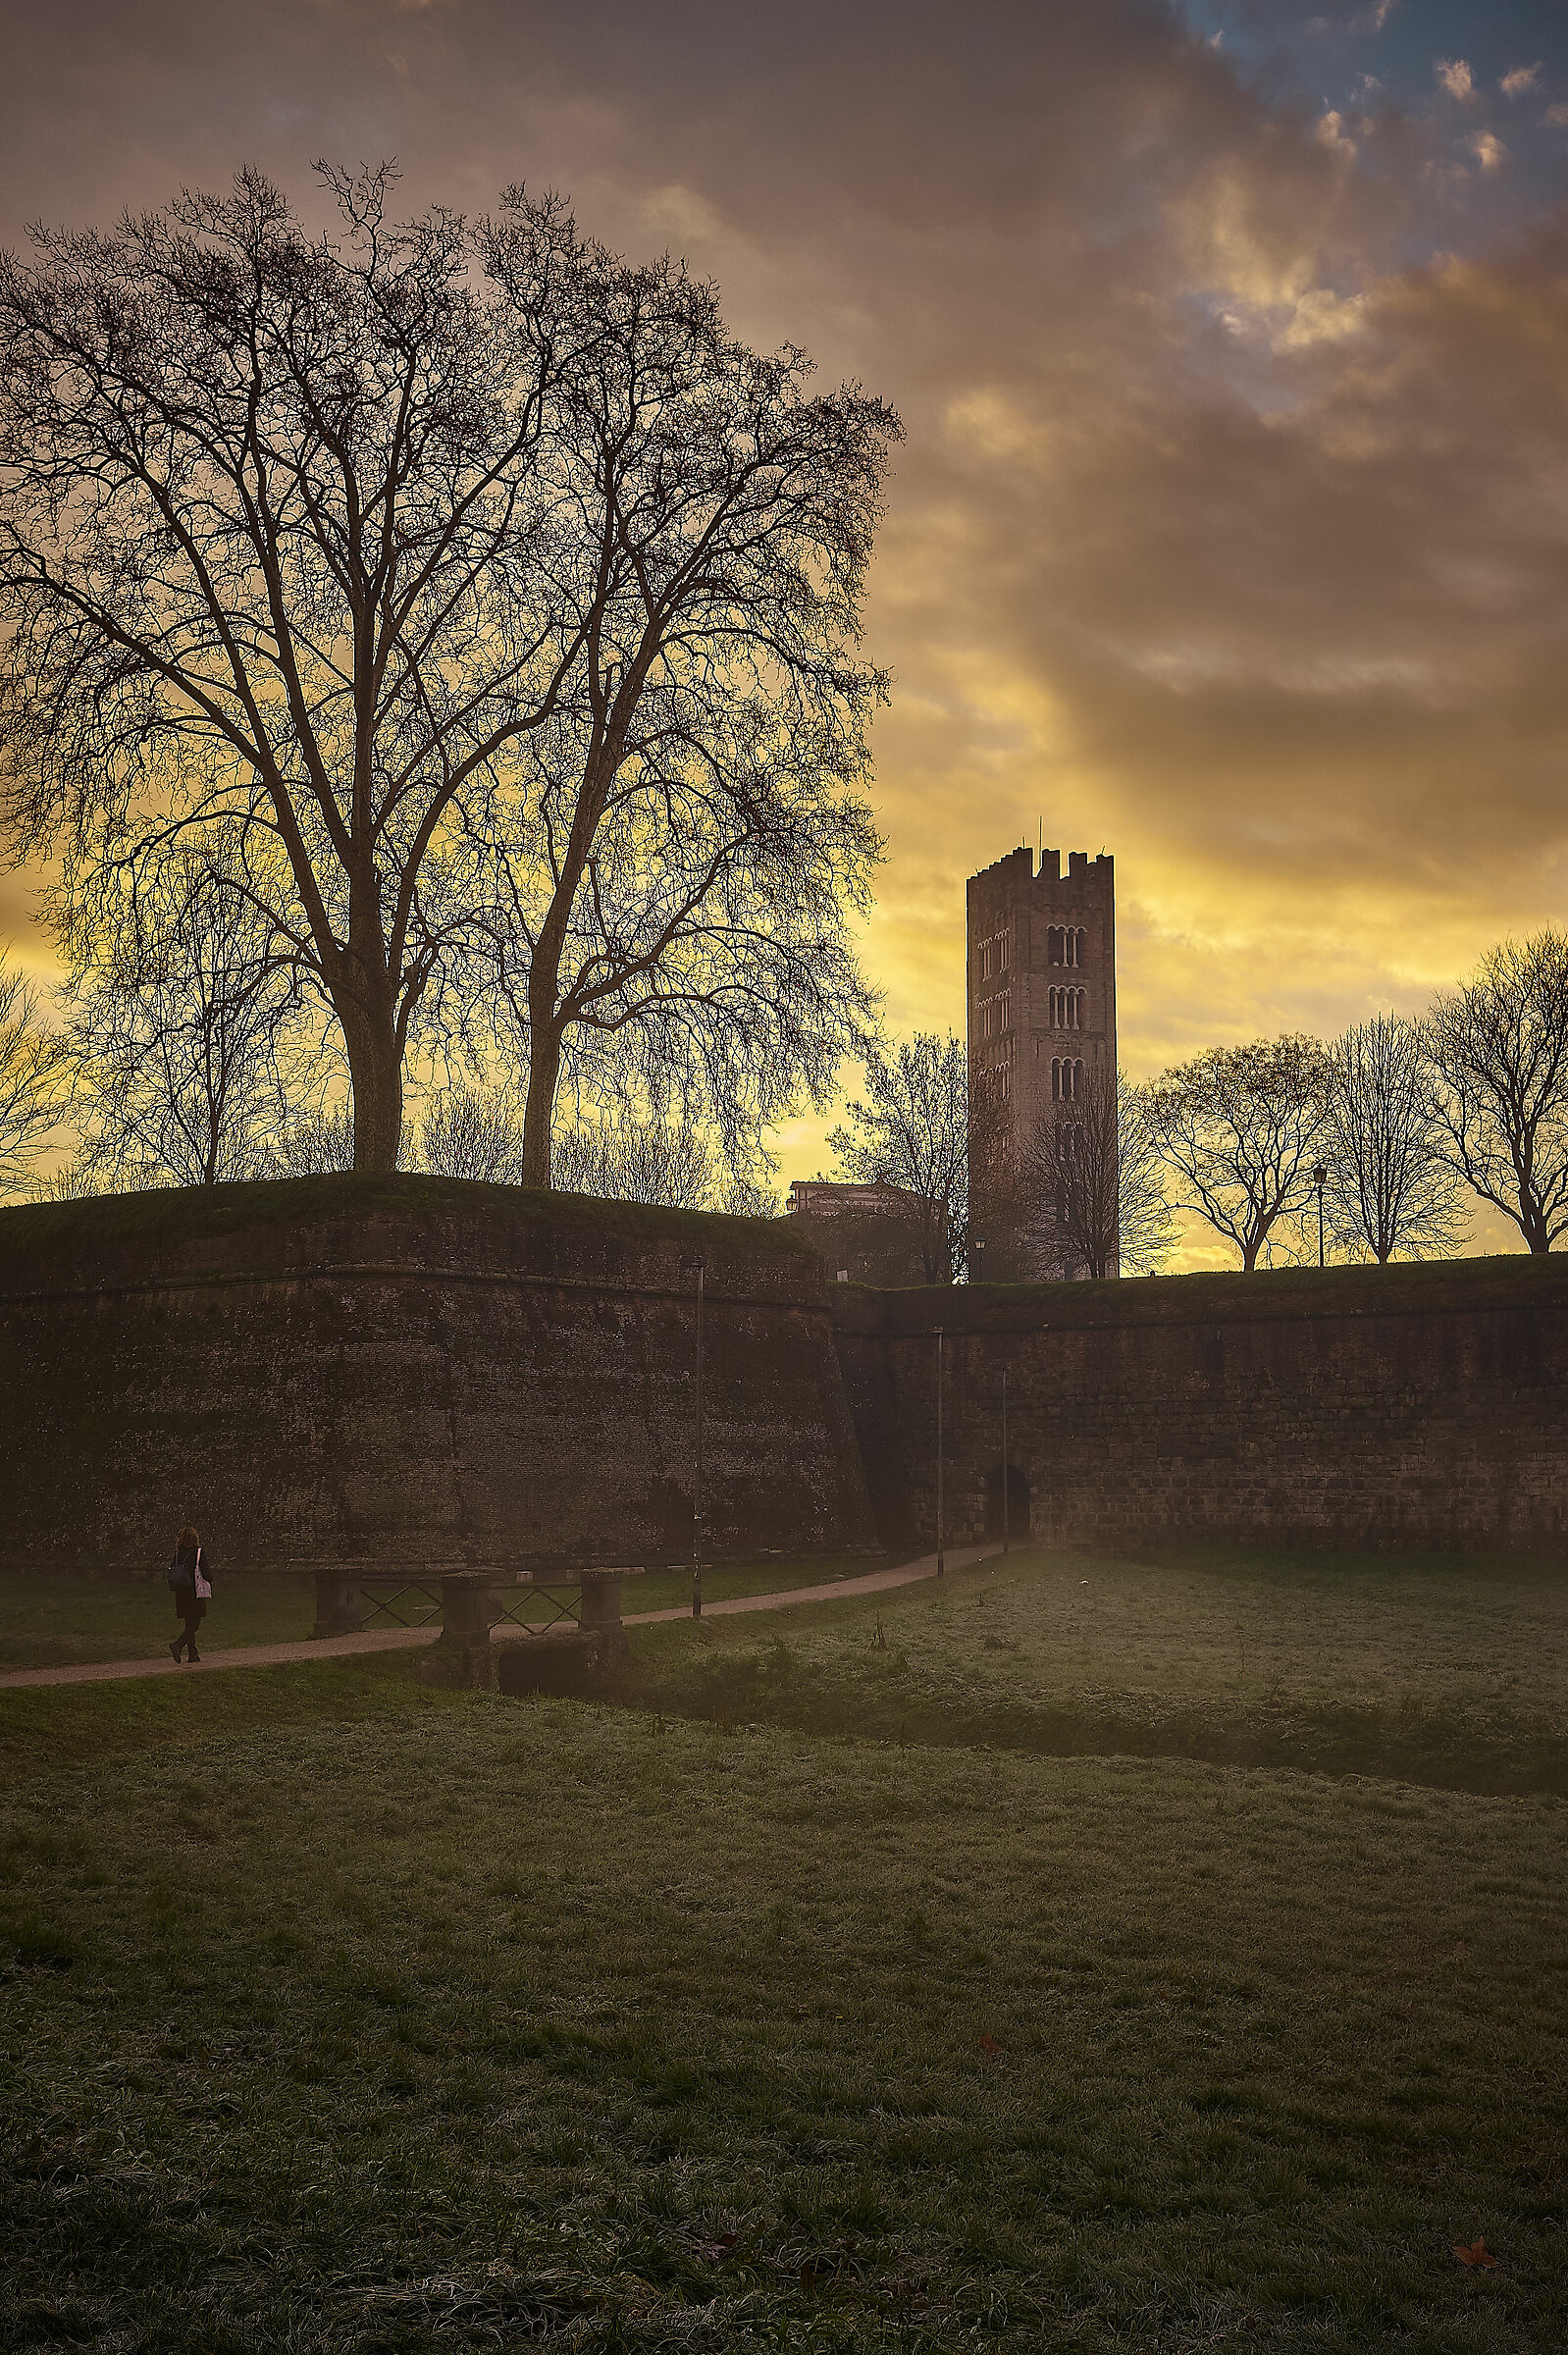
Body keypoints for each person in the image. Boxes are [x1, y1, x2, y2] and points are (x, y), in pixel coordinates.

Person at [167, 1524, 212, 1663]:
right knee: (194, 1624)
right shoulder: (198, 1552)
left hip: (181, 1592)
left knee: (189, 1623)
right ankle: (178, 1645)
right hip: (194, 1592)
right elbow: (206, 1572)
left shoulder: (178, 1554)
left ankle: (193, 1653)